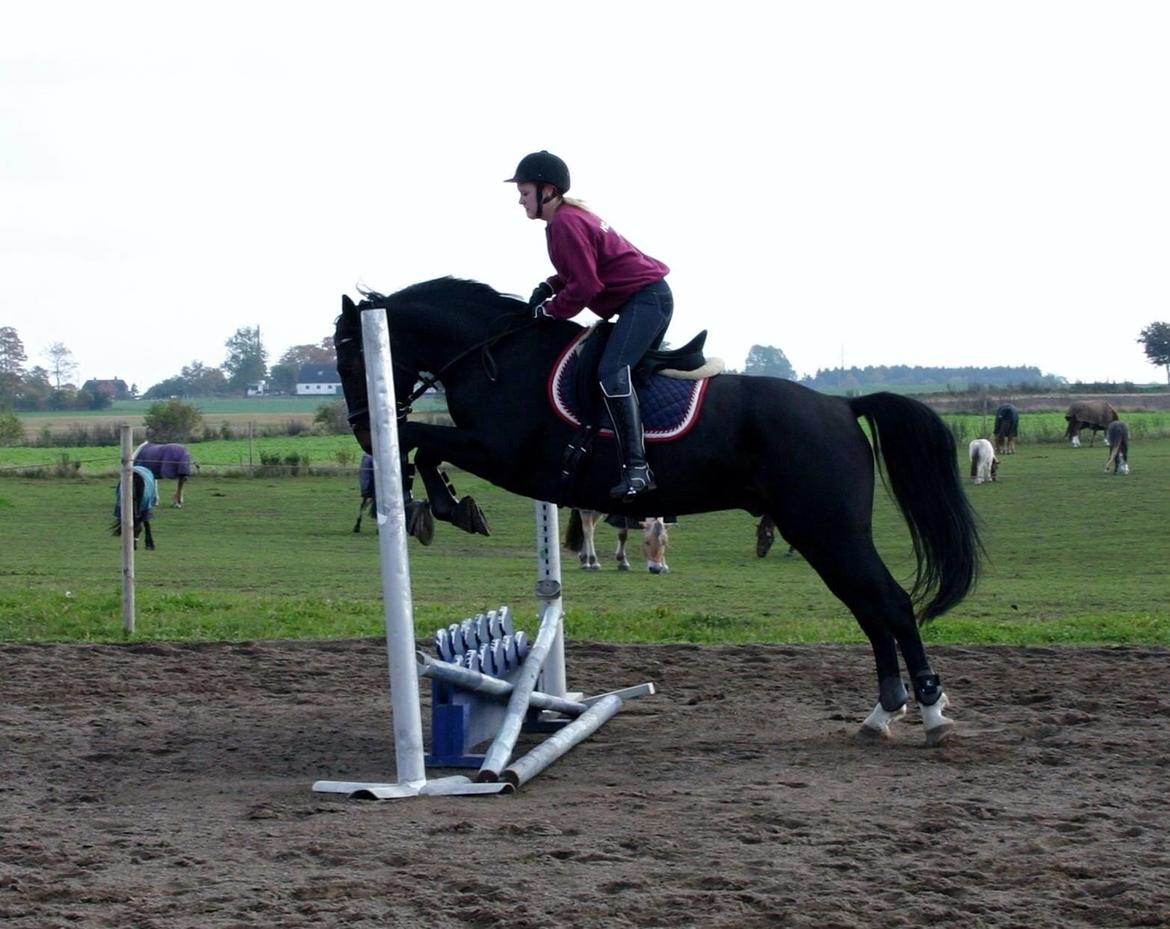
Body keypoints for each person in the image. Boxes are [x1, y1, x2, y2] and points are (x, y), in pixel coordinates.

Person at [506, 150, 672, 499]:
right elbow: (581, 270)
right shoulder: (567, 219)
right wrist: (550, 286)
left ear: (547, 190)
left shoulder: (565, 223)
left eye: (524, 193)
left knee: (611, 372)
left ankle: (638, 469)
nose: (520, 201)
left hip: (646, 301)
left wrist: (549, 311)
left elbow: (586, 287)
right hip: (645, 300)